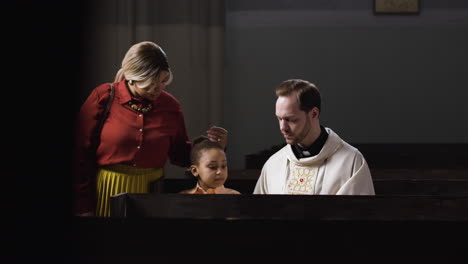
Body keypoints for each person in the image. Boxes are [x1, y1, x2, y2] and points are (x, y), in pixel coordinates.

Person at [73, 41, 228, 217]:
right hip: (107, 189)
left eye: (162, 81)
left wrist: (212, 148)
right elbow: (79, 156)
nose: (159, 89)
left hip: (152, 194)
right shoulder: (103, 97)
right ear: (132, 76)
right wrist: (83, 206)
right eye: (151, 83)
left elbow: (180, 155)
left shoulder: (170, 105)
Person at [253, 79, 375, 195]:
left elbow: (357, 214)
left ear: (314, 114)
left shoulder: (351, 161)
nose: (282, 127)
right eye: (279, 119)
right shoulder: (273, 164)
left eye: (291, 120)